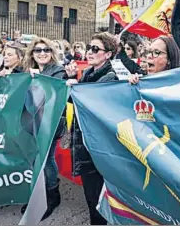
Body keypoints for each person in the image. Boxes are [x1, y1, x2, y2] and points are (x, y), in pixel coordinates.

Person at [65, 32, 118, 225]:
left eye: (96, 49)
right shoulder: (87, 72)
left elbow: (92, 104)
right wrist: (71, 79)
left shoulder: (112, 76)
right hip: (85, 140)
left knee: (99, 195)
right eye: (89, 47)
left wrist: (76, 87)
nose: (90, 52)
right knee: (90, 193)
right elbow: (74, 100)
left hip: (100, 145)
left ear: (108, 54)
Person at [21, 37, 68, 219]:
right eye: (38, 50)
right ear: (32, 53)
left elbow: (52, 92)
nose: (42, 53)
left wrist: (36, 79)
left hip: (51, 123)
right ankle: (37, 194)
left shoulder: (58, 71)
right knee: (34, 158)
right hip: (31, 122)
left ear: (52, 53)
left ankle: (52, 196)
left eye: (46, 50)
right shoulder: (27, 71)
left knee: (46, 159)